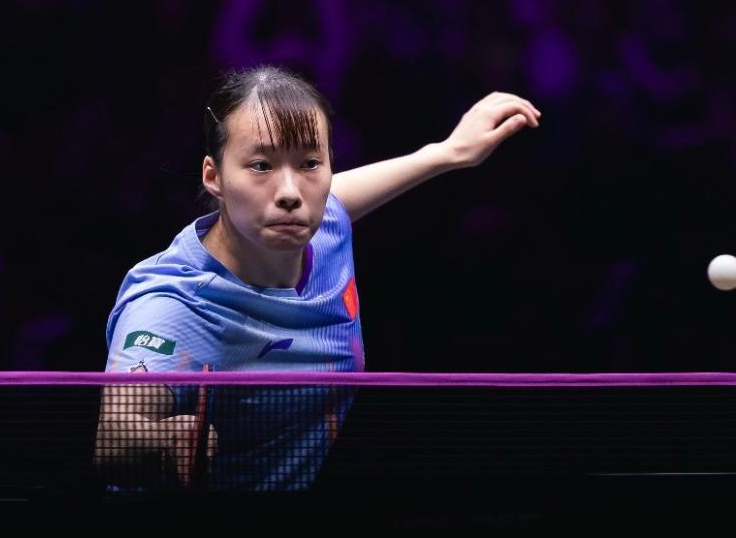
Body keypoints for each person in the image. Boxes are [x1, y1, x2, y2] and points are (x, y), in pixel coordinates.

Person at [94, 64, 541, 492]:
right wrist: (166, 439)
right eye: (261, 166)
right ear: (214, 177)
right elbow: (113, 438)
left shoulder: (320, 223)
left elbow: (337, 196)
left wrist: (448, 153)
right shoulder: (173, 305)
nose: (291, 193)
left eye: (310, 163)